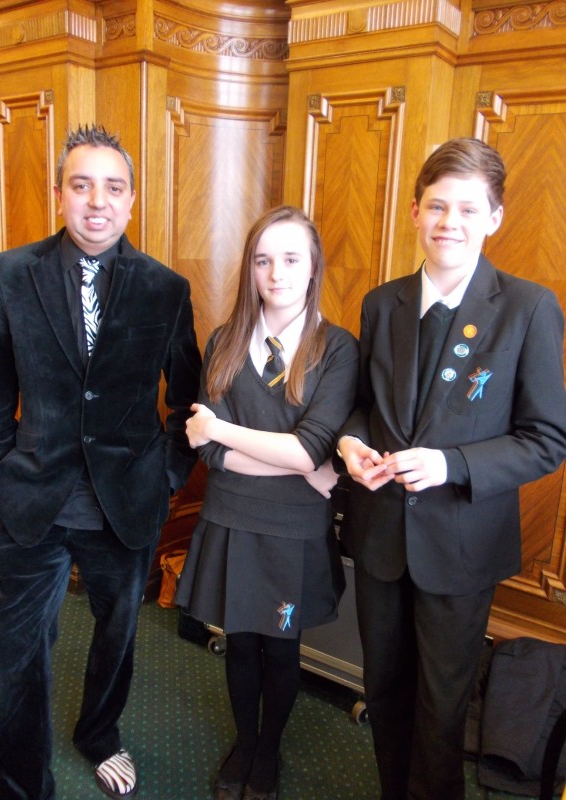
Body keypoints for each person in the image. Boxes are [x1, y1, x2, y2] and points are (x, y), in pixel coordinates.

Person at [0, 124, 202, 800]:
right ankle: (21, 782)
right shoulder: (11, 274)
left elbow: (186, 400)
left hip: (124, 504)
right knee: (15, 652)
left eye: (112, 187)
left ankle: (99, 734)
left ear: (131, 201)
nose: (96, 201)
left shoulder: (165, 288)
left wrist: (163, 478)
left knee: (118, 636)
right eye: (81, 185)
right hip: (31, 499)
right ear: (59, 194)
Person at [335, 137, 566, 800]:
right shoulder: (382, 304)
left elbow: (545, 439)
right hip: (379, 538)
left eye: (468, 208)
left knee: (440, 708)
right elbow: (360, 410)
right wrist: (349, 446)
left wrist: (448, 464)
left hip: (460, 548)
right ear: (413, 212)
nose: (450, 222)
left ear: (494, 217)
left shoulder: (527, 308)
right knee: (382, 690)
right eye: (437, 206)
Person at [175, 205, 358, 800]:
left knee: (280, 647)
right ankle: (245, 744)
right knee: (240, 643)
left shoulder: (336, 348)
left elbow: (308, 451)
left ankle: (269, 748)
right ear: (250, 269)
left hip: (291, 531)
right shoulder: (223, 342)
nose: (275, 273)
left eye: (290, 259)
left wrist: (225, 433)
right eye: (262, 260)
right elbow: (209, 457)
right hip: (230, 518)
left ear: (312, 268)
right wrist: (291, 462)